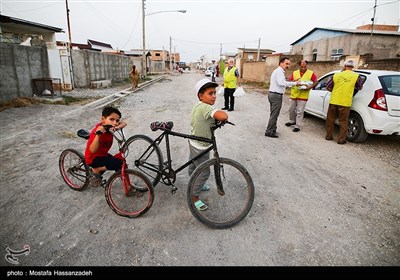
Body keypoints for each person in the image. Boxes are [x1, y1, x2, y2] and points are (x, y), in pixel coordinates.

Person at [189, 78, 228, 211]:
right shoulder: (205, 108)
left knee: (194, 164)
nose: (214, 96)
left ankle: (193, 182)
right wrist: (224, 116)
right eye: (210, 93)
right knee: (204, 172)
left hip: (193, 141)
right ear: (201, 96)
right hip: (201, 146)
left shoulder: (197, 105)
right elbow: (222, 116)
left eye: (214, 93)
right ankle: (194, 197)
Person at [84, 106, 127, 187]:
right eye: (112, 119)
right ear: (103, 119)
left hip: (103, 155)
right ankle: (97, 169)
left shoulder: (110, 127)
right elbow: (92, 150)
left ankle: (126, 184)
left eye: (117, 120)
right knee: (118, 164)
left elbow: (124, 123)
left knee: (120, 163)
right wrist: (98, 135)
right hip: (93, 158)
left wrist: (117, 127)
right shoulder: (98, 131)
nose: (115, 123)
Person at [325, 60, 363, 144]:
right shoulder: (356, 76)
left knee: (330, 120)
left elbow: (327, 86)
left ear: (344, 66)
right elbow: (360, 87)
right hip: (345, 102)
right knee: (343, 122)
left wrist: (335, 91)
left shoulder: (336, 75)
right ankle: (341, 140)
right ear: (353, 67)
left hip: (334, 100)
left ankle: (329, 136)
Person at [265, 57, 301, 138]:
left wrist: (292, 81)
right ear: (281, 63)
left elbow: (282, 81)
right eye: (286, 63)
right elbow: (281, 82)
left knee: (273, 114)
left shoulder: (279, 71)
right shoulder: (279, 71)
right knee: (274, 114)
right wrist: (295, 83)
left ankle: (272, 129)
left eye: (289, 64)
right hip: (276, 95)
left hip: (273, 94)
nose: (288, 65)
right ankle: (269, 131)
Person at [285, 60, 318, 132]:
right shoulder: (295, 72)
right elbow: (290, 82)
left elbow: (316, 81)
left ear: (307, 66)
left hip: (303, 95)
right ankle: (292, 121)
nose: (303, 68)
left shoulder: (311, 73)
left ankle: (297, 126)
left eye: (305, 67)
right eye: (302, 67)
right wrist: (294, 81)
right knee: (291, 109)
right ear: (299, 66)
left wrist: (310, 87)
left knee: (300, 111)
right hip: (294, 94)